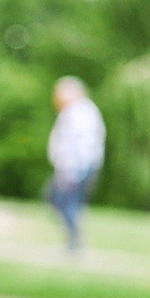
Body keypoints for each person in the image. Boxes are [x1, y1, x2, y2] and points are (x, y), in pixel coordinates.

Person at [45, 76, 104, 253]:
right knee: (62, 201)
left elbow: (77, 144)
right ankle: (73, 239)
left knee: (63, 202)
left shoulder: (79, 112)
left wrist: (68, 170)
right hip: (78, 166)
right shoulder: (80, 111)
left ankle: (74, 242)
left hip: (75, 168)